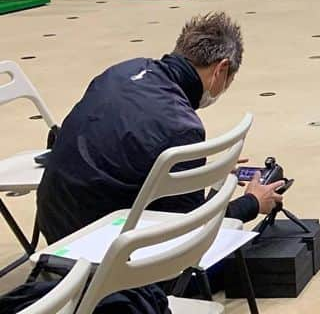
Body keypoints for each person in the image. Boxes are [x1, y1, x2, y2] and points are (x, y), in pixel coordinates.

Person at [36, 13, 284, 243]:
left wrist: (198, 172)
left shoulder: (122, 71)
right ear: (221, 70)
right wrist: (251, 203)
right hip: (101, 246)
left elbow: (127, 147)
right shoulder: (182, 127)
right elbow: (188, 229)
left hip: (55, 222)